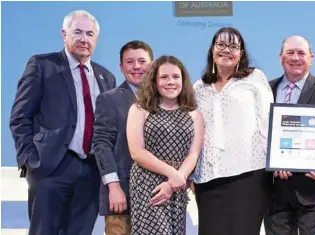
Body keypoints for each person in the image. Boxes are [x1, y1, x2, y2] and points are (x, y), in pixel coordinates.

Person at [9, 10, 116, 235]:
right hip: (50, 168)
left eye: (90, 34)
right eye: (77, 32)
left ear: (96, 39)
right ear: (64, 34)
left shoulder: (106, 77)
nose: (84, 39)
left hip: (91, 171)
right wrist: (30, 160)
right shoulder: (42, 65)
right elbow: (20, 117)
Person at [190, 27, 274, 235]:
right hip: (208, 178)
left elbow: (268, 123)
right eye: (221, 45)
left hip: (249, 174)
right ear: (212, 49)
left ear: (241, 53)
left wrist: (274, 164)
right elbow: (192, 134)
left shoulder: (254, 78)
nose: (226, 50)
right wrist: (191, 172)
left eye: (233, 46)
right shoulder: (198, 87)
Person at [264, 35, 315, 235]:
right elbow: (259, 132)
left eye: (301, 53)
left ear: (311, 58)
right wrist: (270, 162)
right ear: (281, 57)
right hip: (275, 191)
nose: (296, 58)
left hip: (314, 189)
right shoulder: (265, 89)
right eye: (290, 52)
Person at [126, 55, 204, 235]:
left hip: (177, 185)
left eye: (176, 77)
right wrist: (173, 175)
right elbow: (137, 152)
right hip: (148, 184)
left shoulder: (194, 114)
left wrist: (176, 180)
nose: (171, 82)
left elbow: (193, 154)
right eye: (164, 77)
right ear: (154, 80)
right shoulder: (139, 109)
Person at [93, 40, 154, 235]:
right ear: (121, 67)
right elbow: (102, 144)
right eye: (130, 62)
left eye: (142, 61)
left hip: (158, 195)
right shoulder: (109, 99)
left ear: (151, 65)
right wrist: (113, 186)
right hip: (122, 195)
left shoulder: (167, 99)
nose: (136, 67)